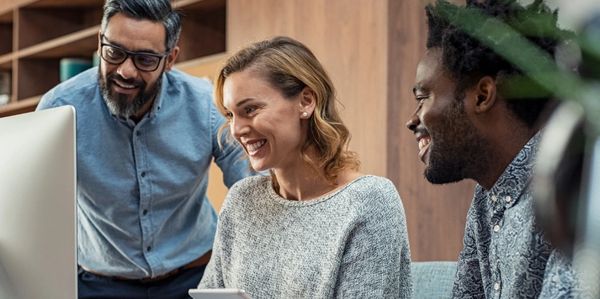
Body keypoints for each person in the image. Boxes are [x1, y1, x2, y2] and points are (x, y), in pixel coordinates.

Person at [36, 0, 251, 298]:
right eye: (114, 53)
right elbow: (34, 205)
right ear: (100, 41)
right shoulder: (58, 109)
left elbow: (252, 187)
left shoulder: (205, 105)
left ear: (170, 58)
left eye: (145, 60)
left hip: (195, 277)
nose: (125, 71)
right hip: (99, 284)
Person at [197, 36, 412, 298]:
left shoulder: (369, 201)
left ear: (306, 101)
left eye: (250, 109)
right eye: (230, 115)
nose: (237, 130)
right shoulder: (242, 200)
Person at [405, 0, 583, 298]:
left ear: (483, 95)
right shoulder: (487, 200)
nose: (412, 120)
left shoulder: (568, 184)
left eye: (424, 97)